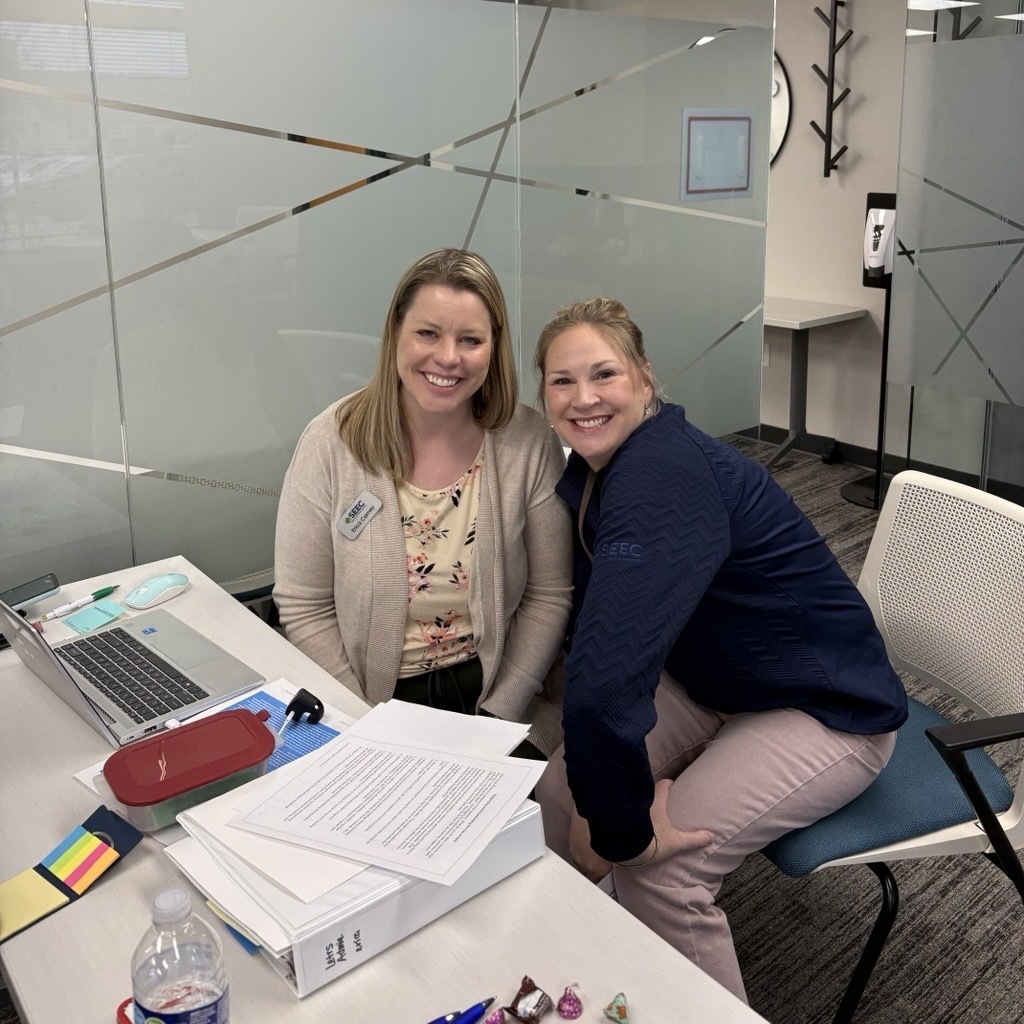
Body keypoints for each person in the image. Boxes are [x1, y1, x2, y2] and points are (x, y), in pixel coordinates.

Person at [532, 297, 908, 1000]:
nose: (583, 398)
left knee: (660, 870)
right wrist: (596, 805)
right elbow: (607, 642)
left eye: (604, 374)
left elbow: (605, 686)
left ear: (645, 378)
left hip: (826, 708)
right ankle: (600, 983)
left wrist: (623, 837)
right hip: (720, 683)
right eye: (561, 381)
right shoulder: (595, 474)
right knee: (556, 793)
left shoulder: (663, 474)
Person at [274, 249, 572, 753]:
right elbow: (304, 608)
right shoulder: (330, 442)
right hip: (366, 706)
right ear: (396, 334)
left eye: (471, 340)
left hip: (501, 699)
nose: (448, 357)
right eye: (428, 333)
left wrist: (502, 712)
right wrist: (363, 725)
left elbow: (549, 594)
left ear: (494, 348)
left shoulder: (527, 440)